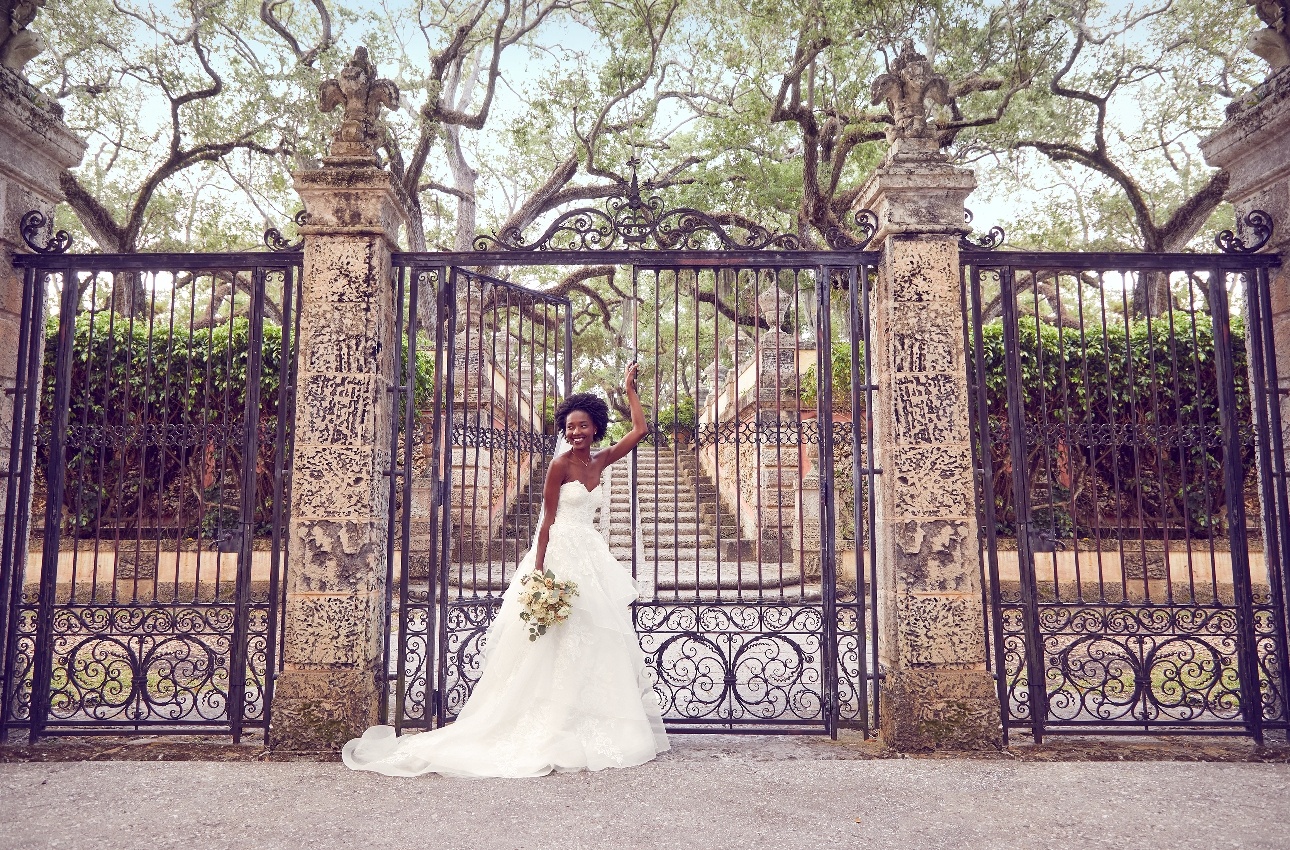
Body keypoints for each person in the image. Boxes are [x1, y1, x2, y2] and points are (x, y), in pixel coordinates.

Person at [342, 362, 669, 777]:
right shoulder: (560, 466)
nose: (575, 432)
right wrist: (538, 575)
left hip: (590, 554)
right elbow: (546, 522)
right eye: (569, 426)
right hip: (559, 556)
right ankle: (544, 721)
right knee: (554, 639)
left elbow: (639, 432)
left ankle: (586, 719)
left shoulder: (601, 461)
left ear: (596, 426)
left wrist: (629, 388)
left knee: (591, 635)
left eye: (583, 426)